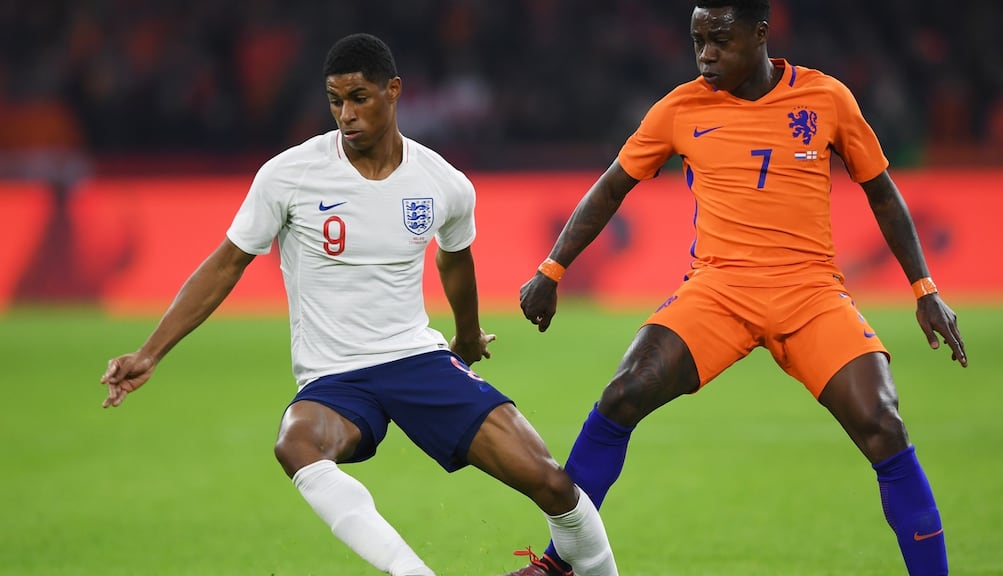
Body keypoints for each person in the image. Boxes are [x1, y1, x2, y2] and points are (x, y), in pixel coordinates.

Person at [99, 33, 618, 576]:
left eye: (359, 97)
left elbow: (455, 259)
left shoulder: (443, 182)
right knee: (296, 444)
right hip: (335, 376)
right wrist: (151, 352)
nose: (345, 114)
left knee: (552, 483)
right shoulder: (290, 174)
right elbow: (226, 264)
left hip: (417, 360)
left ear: (393, 92)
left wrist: (467, 336)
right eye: (335, 100)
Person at [508, 2, 967, 575]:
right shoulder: (680, 107)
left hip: (810, 293)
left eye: (720, 40)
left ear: (760, 34)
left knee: (883, 424)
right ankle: (559, 563)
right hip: (719, 291)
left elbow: (881, 192)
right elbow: (611, 188)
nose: (706, 54)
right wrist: (552, 270)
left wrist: (924, 288)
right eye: (698, 40)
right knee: (624, 393)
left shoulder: (826, 99)